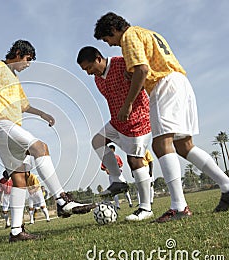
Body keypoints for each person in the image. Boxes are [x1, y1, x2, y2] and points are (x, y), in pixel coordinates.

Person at [94, 12, 229, 222]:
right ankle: (226, 185)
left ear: (113, 30)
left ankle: (179, 206)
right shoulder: (146, 32)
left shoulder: (128, 36)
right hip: (180, 82)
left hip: (164, 86)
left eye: (107, 39)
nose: (110, 44)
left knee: (160, 144)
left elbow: (142, 69)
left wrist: (128, 103)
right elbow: (144, 65)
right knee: (184, 145)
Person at [0, 40, 95, 242]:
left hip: (8, 130)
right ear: (18, 53)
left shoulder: (14, 77)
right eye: (27, 60)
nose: (27, 64)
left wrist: (42, 113)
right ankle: (61, 200)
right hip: (1, 124)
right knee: (40, 147)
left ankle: (16, 232)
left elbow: (23, 106)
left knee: (19, 180)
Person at [77, 46, 153, 221]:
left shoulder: (121, 63)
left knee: (134, 161)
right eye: (85, 70)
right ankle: (118, 180)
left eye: (89, 67)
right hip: (117, 122)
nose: (88, 73)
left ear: (98, 58)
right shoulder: (98, 79)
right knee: (97, 141)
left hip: (138, 119)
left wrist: (133, 76)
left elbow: (144, 71)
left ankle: (146, 208)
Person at [100, 145, 133, 210]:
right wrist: (106, 169)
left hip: (119, 175)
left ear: (114, 150)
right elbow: (102, 167)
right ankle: (117, 205)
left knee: (125, 189)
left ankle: (130, 202)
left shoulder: (117, 157)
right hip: (111, 176)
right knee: (114, 191)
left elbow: (121, 164)